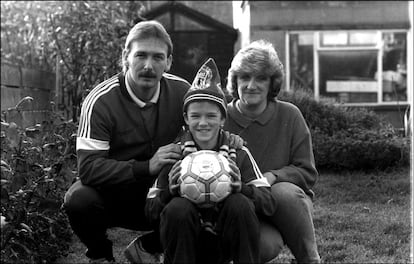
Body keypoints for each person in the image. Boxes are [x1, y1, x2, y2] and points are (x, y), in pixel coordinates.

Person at [62, 20, 191, 263]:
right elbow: (88, 169)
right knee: (78, 199)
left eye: (158, 57)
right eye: (141, 55)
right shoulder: (100, 100)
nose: (148, 66)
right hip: (116, 194)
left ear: (169, 61)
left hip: (162, 192)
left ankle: (149, 246)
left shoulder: (182, 92)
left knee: (207, 191)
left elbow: (207, 135)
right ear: (126, 57)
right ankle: (100, 254)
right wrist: (146, 166)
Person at [145, 58, 276, 264]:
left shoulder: (238, 152)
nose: (203, 123)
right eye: (195, 116)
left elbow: (268, 203)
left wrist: (242, 188)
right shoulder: (175, 155)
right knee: (178, 208)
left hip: (225, 242)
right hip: (185, 244)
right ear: (186, 119)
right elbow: (150, 211)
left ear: (223, 119)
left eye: (211, 116)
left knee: (239, 203)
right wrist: (169, 191)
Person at [224, 40, 321, 263]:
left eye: (261, 78)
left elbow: (307, 172)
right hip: (240, 206)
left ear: (272, 83)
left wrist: (272, 177)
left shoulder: (290, 115)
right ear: (235, 80)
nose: (251, 85)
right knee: (265, 245)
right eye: (244, 77)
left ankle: (310, 258)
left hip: (283, 205)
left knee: (283, 191)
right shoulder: (220, 117)